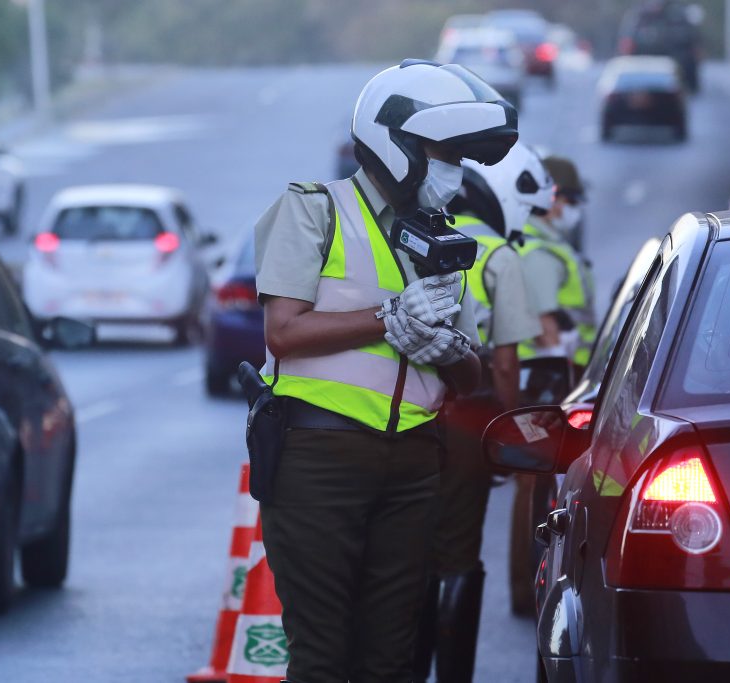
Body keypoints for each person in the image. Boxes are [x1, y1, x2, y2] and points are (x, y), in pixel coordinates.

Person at [253, 59, 518, 683]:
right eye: (443, 150)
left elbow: (470, 378)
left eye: (461, 155)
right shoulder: (315, 210)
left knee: (393, 659)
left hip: (414, 464)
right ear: (393, 139)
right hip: (319, 457)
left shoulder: (445, 244)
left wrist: (450, 351)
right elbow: (282, 333)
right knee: (324, 655)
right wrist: (389, 315)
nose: (455, 169)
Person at [414, 147, 542, 682]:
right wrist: (515, 433)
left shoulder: (413, 236)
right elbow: (507, 363)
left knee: (408, 549)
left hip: (408, 410)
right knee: (458, 552)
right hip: (468, 417)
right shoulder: (498, 255)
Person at [519, 155, 596, 368]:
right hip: (557, 373)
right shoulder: (540, 253)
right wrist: (560, 374)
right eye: (571, 201)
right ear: (552, 197)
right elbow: (544, 325)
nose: (575, 210)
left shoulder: (543, 242)